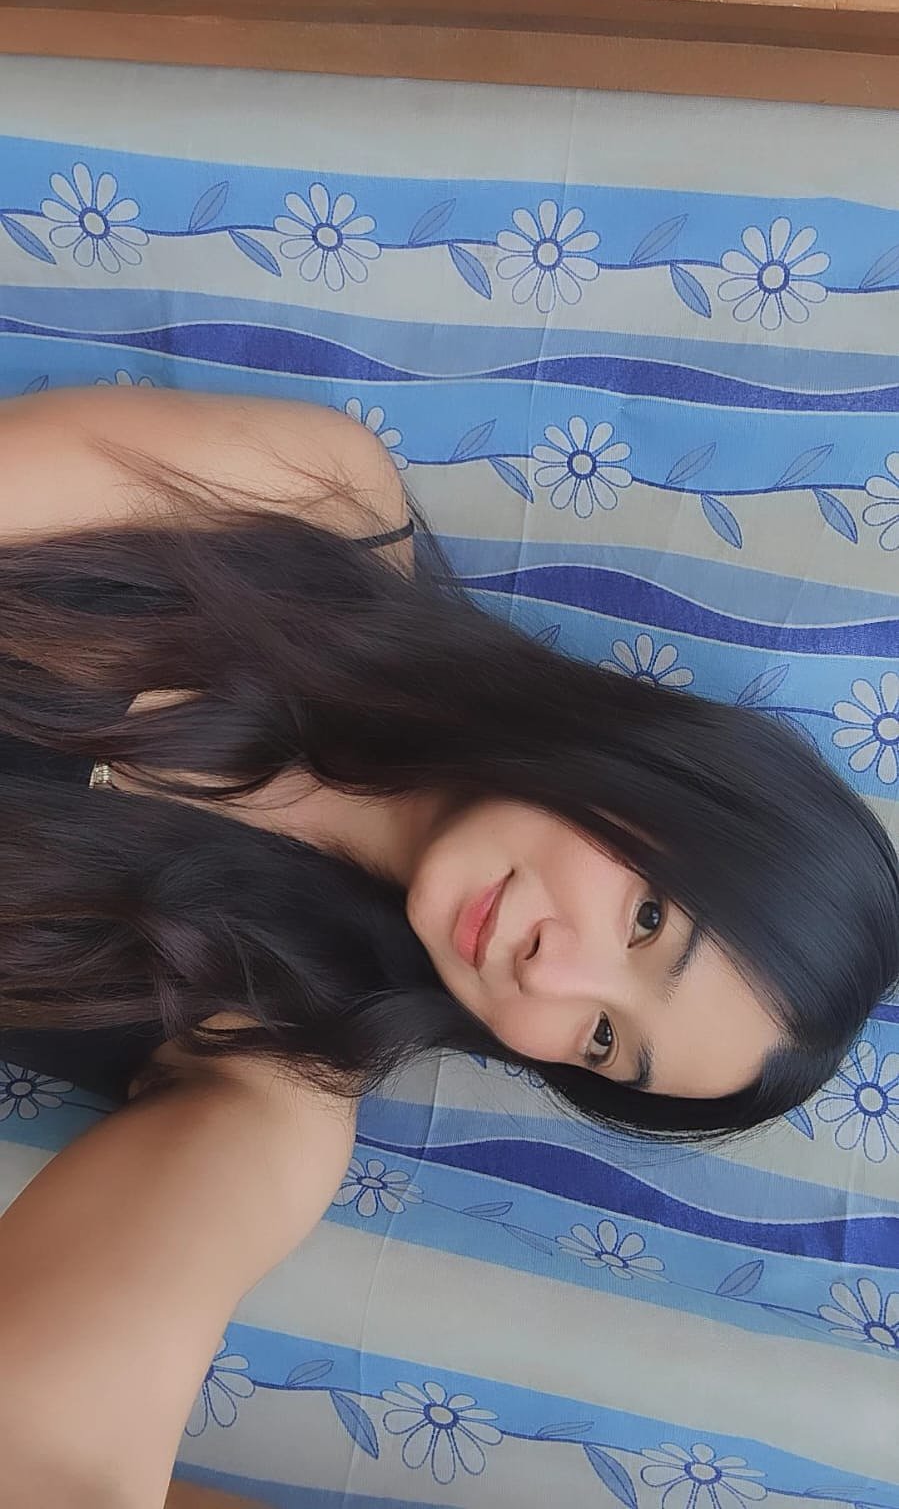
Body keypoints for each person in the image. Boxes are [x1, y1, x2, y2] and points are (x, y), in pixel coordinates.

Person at [0, 385, 896, 1505]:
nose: (550, 973)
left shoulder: (276, 1070)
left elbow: (59, 1446)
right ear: (670, 776)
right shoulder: (315, 505)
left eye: (602, 1038)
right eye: (647, 922)